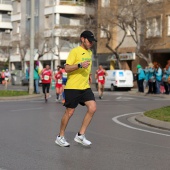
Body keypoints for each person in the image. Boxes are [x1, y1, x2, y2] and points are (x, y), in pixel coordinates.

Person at [55, 30, 97, 147]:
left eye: (92, 42)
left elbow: (86, 67)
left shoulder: (89, 53)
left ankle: (80, 135)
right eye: (89, 41)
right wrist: (79, 65)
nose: (91, 43)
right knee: (70, 112)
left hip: (85, 87)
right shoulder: (74, 52)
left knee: (92, 108)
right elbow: (67, 68)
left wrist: (88, 75)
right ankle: (60, 136)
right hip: (73, 87)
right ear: (82, 39)